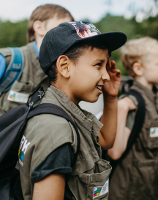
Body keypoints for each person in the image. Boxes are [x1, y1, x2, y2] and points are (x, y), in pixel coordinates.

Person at [18, 21, 127, 200]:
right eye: (98, 65)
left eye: (106, 67)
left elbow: (105, 140)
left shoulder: (61, 109)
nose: (106, 76)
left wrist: (111, 97)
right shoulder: (56, 129)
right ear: (65, 67)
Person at [107, 37, 158, 200]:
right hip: (131, 193)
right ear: (138, 69)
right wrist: (121, 109)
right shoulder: (130, 104)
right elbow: (115, 152)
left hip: (154, 190)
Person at [0, 4, 74, 115]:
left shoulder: (67, 70)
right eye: (63, 27)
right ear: (39, 28)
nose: (69, 35)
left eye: (71, 30)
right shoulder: (7, 60)